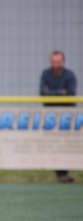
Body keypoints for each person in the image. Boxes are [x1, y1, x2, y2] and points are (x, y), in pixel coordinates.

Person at [40, 50, 77, 183]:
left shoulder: (69, 75)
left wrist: (52, 93)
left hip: (67, 115)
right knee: (53, 143)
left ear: (63, 62)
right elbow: (42, 93)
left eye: (58, 62)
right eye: (53, 62)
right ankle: (60, 174)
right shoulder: (46, 74)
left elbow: (71, 93)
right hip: (51, 116)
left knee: (66, 143)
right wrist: (61, 92)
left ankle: (65, 172)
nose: (55, 65)